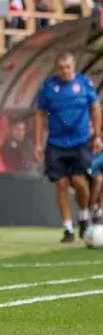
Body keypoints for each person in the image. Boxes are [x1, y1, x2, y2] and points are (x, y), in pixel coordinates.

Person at [33, 51, 102, 243]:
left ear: (73, 66)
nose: (64, 71)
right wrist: (37, 143)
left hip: (80, 142)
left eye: (68, 67)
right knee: (61, 183)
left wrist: (97, 135)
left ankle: (83, 215)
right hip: (56, 143)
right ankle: (68, 229)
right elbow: (39, 114)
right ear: (56, 68)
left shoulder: (84, 84)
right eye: (60, 68)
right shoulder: (49, 87)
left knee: (80, 182)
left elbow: (95, 108)